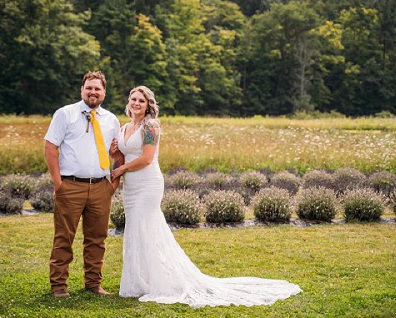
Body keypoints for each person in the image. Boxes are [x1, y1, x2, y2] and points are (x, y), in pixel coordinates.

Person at [110, 86, 302, 308]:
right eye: (133, 99)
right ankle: (139, 281)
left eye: (141, 101)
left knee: (147, 228)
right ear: (128, 101)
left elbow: (146, 158)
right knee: (135, 228)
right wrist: (115, 156)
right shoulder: (125, 127)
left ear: (148, 105)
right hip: (131, 187)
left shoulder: (150, 126)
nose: (136, 103)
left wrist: (120, 171)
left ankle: (158, 281)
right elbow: (123, 154)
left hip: (148, 183)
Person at [44, 71, 123, 298]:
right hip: (70, 186)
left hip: (101, 187)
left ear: (104, 92)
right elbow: (50, 148)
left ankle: (93, 283)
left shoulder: (111, 120)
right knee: (64, 238)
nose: (93, 92)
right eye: (89, 88)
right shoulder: (65, 114)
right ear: (82, 90)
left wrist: (113, 184)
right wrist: (59, 184)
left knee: (97, 239)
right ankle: (59, 286)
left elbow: (117, 153)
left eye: (97, 89)